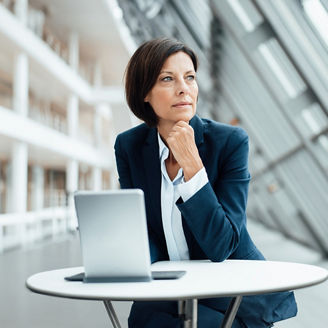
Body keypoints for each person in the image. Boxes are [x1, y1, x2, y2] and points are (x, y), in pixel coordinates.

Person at [114, 38, 297, 328]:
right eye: (167, 79)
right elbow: (142, 229)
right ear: (144, 92)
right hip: (169, 292)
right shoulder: (129, 147)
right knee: (142, 320)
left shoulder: (230, 143)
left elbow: (221, 245)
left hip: (232, 296)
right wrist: (121, 254)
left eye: (189, 78)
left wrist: (193, 166)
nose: (183, 88)